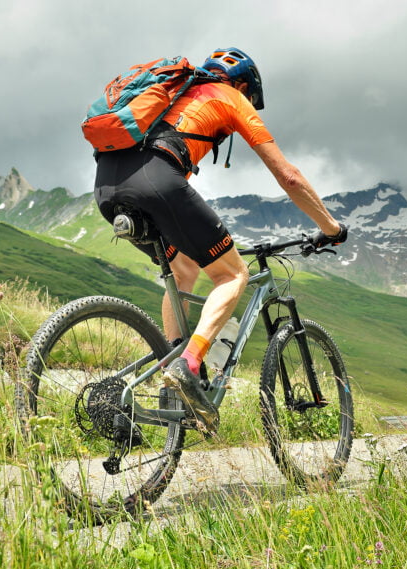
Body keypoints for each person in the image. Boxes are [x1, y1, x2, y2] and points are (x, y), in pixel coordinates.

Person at [93, 48, 347, 432]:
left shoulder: (170, 97)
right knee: (232, 275)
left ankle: (171, 377)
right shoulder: (230, 97)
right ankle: (188, 364)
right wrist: (331, 227)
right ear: (242, 85)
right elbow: (289, 177)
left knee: (184, 270)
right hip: (155, 181)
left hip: (107, 188)